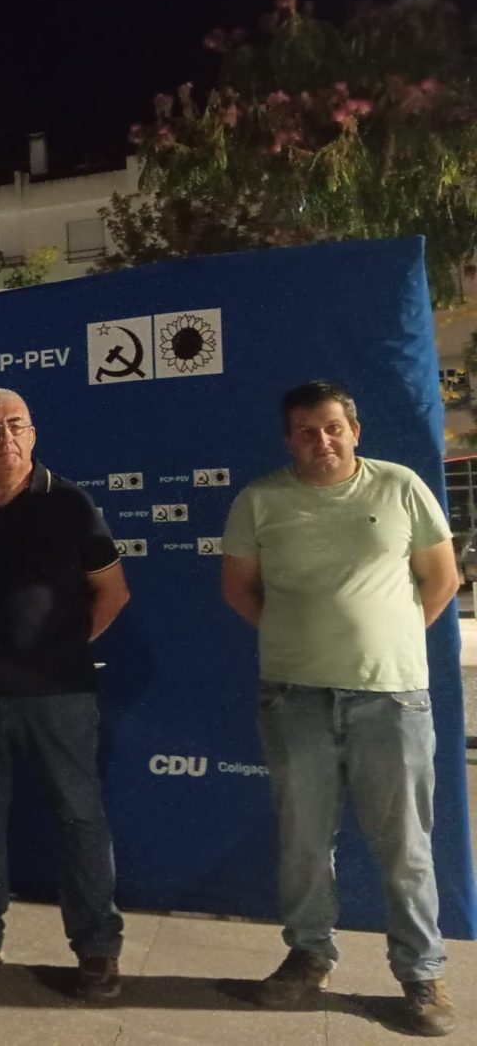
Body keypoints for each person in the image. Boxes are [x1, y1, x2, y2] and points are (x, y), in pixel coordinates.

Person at [221, 381, 460, 1036]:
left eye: (332, 427)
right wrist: (301, 640)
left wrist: (388, 642)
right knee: (303, 843)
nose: (321, 440)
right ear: (289, 439)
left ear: (355, 430)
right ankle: (308, 955)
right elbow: (239, 590)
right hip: (294, 699)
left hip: (393, 698)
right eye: (306, 430)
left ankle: (421, 973)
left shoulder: (401, 486)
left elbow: (442, 579)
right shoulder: (260, 500)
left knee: (406, 846)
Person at [0, 388, 130, 999]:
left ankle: (97, 946)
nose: (5, 437)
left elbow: (113, 591)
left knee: (79, 817)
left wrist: (57, 646)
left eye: (15, 425)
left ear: (33, 434)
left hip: (58, 692)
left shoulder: (70, 504)